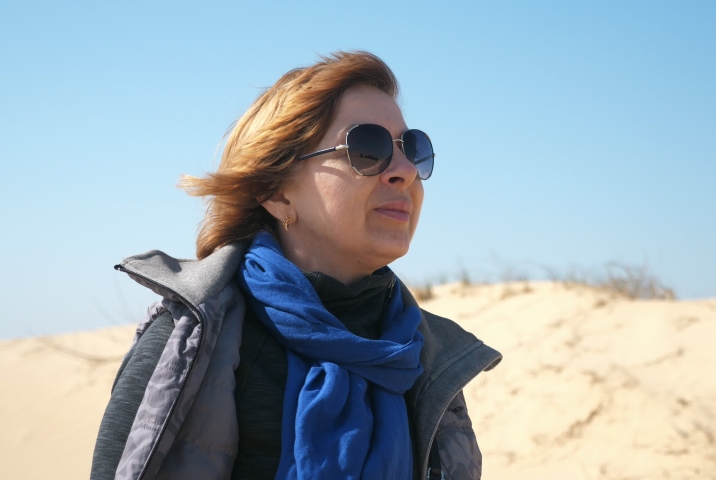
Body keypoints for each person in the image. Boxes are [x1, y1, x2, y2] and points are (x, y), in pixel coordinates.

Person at [90, 51, 502, 480]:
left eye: (412, 149)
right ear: (277, 193)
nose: (404, 171)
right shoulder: (195, 340)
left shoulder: (424, 354)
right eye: (368, 148)